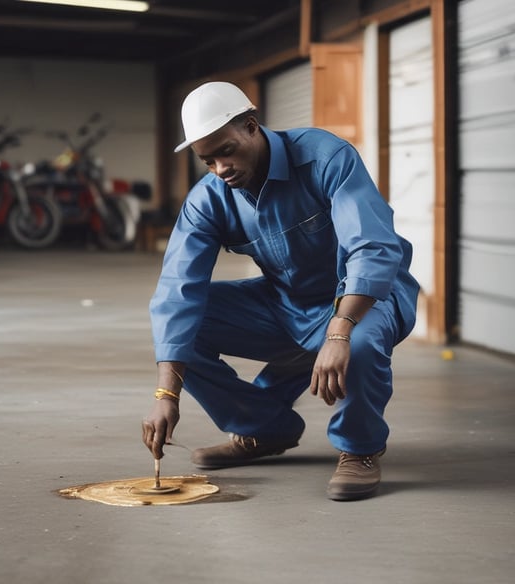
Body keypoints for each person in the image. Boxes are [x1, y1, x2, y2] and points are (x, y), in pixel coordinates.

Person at [141, 81, 419, 501]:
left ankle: (360, 450)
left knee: (358, 344)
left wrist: (340, 331)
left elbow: (372, 247)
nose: (220, 168)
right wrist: (167, 393)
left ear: (252, 127)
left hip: (366, 298)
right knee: (183, 325)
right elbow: (177, 290)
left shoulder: (325, 158)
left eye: (227, 150)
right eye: (208, 160)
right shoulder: (210, 198)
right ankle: (266, 430)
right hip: (287, 304)